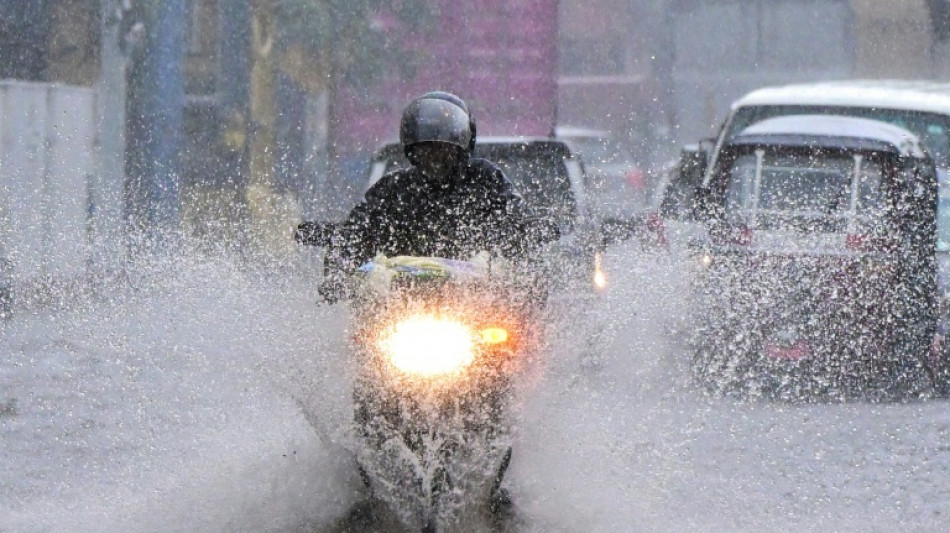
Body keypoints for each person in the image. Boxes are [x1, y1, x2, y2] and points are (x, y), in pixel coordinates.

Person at [316, 91, 553, 303]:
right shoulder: (393, 187)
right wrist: (337, 270)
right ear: (412, 151)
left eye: (443, 149)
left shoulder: (485, 178)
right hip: (397, 306)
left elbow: (515, 211)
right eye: (426, 149)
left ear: (461, 149)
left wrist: (531, 228)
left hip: (476, 304)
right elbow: (358, 228)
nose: (435, 157)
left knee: (516, 326)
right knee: (365, 327)